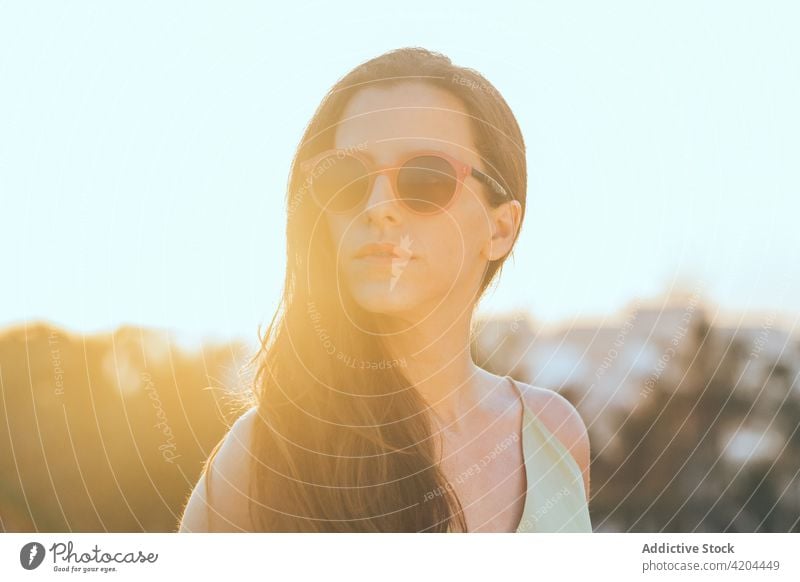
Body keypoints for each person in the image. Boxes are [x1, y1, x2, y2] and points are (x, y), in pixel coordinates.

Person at [179, 47, 591, 533]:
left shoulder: (556, 436)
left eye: (425, 177)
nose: (378, 206)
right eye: (344, 177)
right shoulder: (260, 461)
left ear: (500, 228)